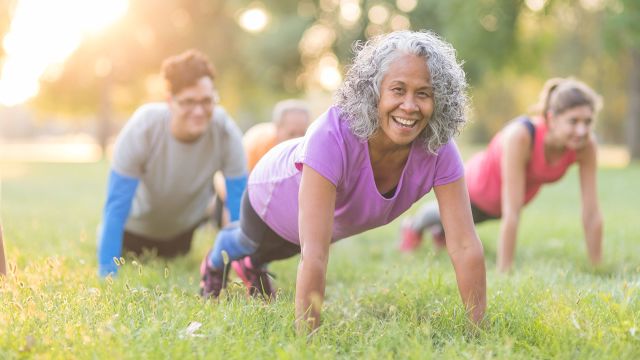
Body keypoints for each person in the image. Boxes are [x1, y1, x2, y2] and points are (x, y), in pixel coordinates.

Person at [200, 30, 486, 330]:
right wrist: (307, 340)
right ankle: (216, 259)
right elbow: (316, 255)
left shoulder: (438, 148)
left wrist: (478, 330)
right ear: (374, 91)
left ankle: (252, 265)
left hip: (313, 230)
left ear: (439, 99)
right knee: (250, 242)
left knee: (282, 249)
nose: (410, 106)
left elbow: (465, 244)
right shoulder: (332, 135)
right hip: (269, 194)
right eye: (398, 90)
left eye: (423, 93)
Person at [399, 77, 603, 273]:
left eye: (588, 121)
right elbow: (512, 211)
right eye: (573, 121)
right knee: (439, 214)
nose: (582, 130)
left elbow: (591, 212)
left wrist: (596, 265)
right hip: (476, 189)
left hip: (501, 206)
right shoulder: (521, 135)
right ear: (551, 118)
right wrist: (504, 270)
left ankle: (441, 233)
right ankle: (412, 226)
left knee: (456, 224)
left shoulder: (585, 146)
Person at [96, 49, 247, 277]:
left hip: (180, 238)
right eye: (188, 102)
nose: (198, 111)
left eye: (207, 101)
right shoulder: (143, 127)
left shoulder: (225, 131)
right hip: (133, 234)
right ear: (170, 101)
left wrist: (247, 272)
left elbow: (239, 210)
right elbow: (116, 206)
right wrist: (107, 271)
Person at [211, 99, 311, 228]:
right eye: (291, 133)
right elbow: (236, 189)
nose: (298, 139)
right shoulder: (257, 145)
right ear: (277, 129)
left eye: (303, 133)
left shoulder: (307, 148)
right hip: (231, 188)